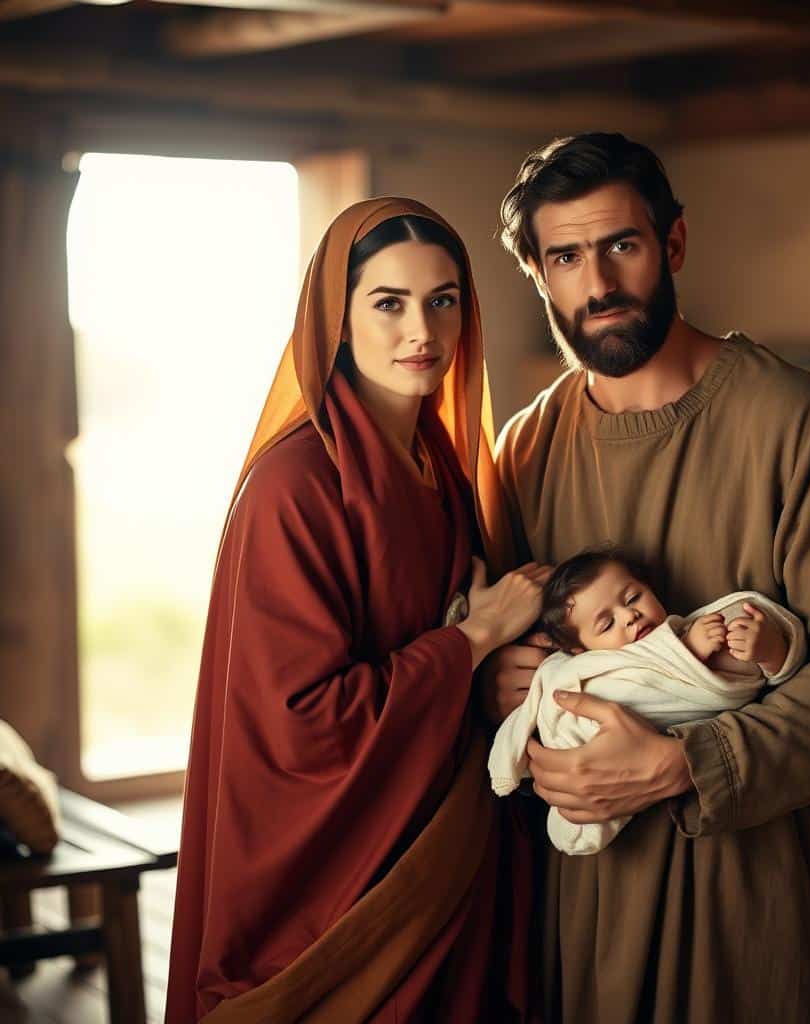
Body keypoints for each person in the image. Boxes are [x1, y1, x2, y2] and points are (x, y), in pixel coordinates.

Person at [481, 133, 810, 1023]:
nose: (599, 282)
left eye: (623, 244)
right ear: (538, 274)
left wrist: (692, 764)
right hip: (583, 911)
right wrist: (499, 679)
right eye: (566, 256)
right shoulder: (525, 450)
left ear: (674, 244)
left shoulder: (799, 421)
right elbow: (498, 643)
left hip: (751, 905)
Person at [165, 198, 544, 1024]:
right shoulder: (293, 489)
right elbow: (303, 722)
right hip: (337, 882)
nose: (423, 329)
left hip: (442, 846)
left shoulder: (440, 465)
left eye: (444, 300)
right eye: (389, 303)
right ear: (337, 320)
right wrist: (474, 638)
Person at [488, 548, 806, 855]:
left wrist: (767, 652)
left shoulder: (694, 632)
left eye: (633, 597)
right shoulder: (580, 669)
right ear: (581, 651)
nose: (629, 615)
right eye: (606, 624)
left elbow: (741, 677)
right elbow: (536, 703)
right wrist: (509, 762)